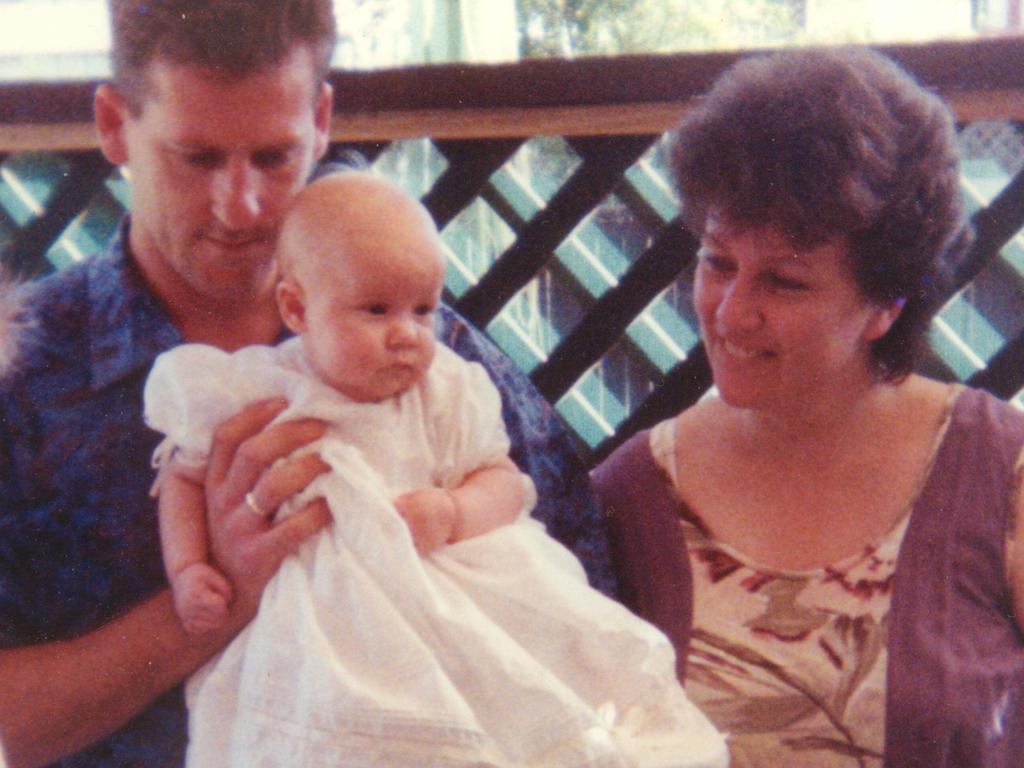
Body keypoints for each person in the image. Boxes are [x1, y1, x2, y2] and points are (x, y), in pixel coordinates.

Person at [0, 2, 610, 766]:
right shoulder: (24, 377)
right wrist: (215, 601)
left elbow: (580, 587)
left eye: (274, 157)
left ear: (321, 121)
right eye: (197, 158)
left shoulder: (423, 350)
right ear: (115, 122)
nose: (242, 206)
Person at [143, 171, 726, 767]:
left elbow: (505, 483)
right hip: (325, 624)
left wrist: (453, 511)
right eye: (375, 310)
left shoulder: (444, 390)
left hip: (459, 594)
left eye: (423, 310)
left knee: (515, 705)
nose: (405, 335)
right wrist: (189, 568)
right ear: (297, 306)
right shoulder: (254, 389)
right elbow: (183, 477)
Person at [591, 47, 1024, 768]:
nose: (730, 315)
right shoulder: (629, 497)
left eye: (785, 283)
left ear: (885, 304)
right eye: (717, 262)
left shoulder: (1000, 472)